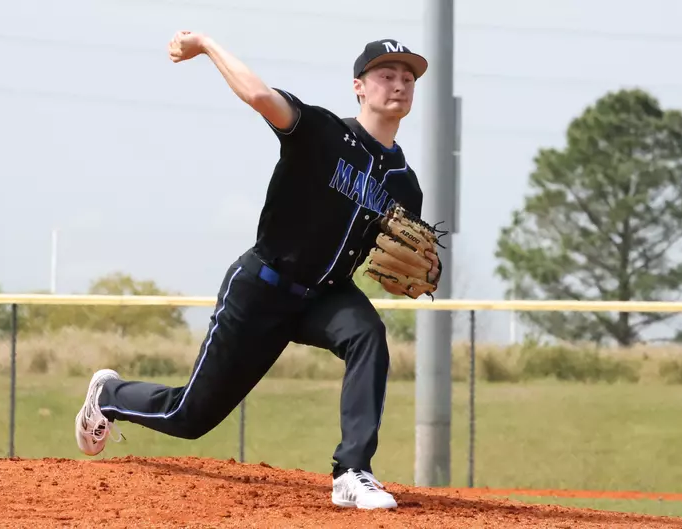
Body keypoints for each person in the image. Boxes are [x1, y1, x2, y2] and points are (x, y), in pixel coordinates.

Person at [74, 31, 440, 510]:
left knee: (367, 332)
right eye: (386, 74)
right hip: (261, 288)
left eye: (408, 76)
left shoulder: (404, 185)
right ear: (359, 86)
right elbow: (259, 96)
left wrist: (425, 272)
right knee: (190, 416)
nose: (399, 83)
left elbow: (397, 261)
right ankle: (108, 395)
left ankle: (352, 471)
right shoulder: (322, 132)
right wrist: (205, 45)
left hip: (326, 296)